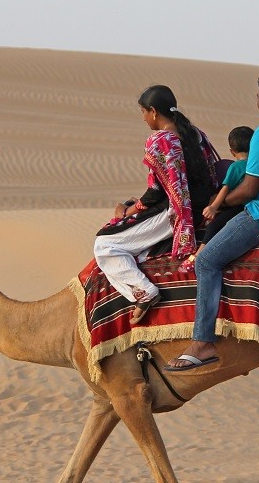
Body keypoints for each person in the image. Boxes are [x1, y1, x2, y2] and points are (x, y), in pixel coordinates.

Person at [166, 69, 259, 370]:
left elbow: (250, 189)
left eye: (258, 97)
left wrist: (217, 204)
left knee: (206, 260)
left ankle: (202, 342)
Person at [94, 85, 219, 324]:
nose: (143, 118)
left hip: (176, 214)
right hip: (200, 205)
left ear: (153, 111)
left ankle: (143, 292)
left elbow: (155, 192)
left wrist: (127, 211)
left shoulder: (160, 140)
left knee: (105, 244)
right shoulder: (196, 134)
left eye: (143, 112)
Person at [179, 125, 253, 272]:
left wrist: (213, 207)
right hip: (254, 207)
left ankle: (198, 256)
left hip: (238, 207)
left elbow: (225, 189)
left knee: (214, 226)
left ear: (232, 151)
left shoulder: (235, 167)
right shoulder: (256, 165)